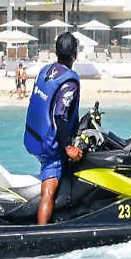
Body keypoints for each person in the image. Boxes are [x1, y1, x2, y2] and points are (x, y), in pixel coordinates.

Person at [24, 32, 85, 225]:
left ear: (56, 52)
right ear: (75, 55)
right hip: (49, 147)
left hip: (33, 137)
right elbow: (60, 115)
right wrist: (68, 147)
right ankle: (41, 235)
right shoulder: (69, 81)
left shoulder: (45, 71)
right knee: (48, 193)